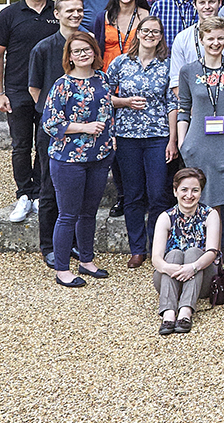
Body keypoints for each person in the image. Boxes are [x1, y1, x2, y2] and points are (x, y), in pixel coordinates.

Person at [42, 32, 140, 286]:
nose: (83, 54)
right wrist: (84, 128)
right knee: (68, 215)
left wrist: (124, 106)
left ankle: (86, 260)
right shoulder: (63, 85)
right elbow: (50, 124)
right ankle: (62, 268)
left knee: (89, 213)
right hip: (69, 159)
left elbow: (107, 106)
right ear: (70, 57)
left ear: (95, 52)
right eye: (77, 51)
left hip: (100, 156)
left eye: (87, 49)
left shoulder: (102, 79)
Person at [175, 17, 224, 245]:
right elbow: (184, 108)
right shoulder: (188, 71)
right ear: (201, 40)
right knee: (210, 209)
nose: (215, 42)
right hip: (200, 146)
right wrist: (183, 142)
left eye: (220, 38)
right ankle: (215, 258)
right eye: (210, 38)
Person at [0, 0, 58, 223]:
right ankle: (24, 194)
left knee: (46, 145)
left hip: (50, 91)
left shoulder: (58, 12)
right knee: (21, 146)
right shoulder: (9, 15)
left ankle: (41, 194)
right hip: (18, 90)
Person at [107, 15, 174, 268]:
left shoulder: (167, 66)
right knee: (133, 194)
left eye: (155, 32)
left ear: (161, 37)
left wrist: (173, 139)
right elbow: (104, 97)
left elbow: (173, 104)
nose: (150, 36)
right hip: (127, 137)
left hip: (158, 137)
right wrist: (124, 102)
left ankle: (156, 245)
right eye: (146, 31)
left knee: (158, 194)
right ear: (138, 34)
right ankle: (137, 248)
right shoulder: (120, 63)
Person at [26, 0, 88, 262]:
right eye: (69, 10)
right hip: (53, 131)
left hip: (84, 130)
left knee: (79, 189)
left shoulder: (88, 44)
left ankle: (71, 243)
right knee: (49, 187)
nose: (75, 15)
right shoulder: (43, 48)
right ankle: (49, 247)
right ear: (57, 14)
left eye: (79, 10)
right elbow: (34, 89)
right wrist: (56, 116)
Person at [151, 168, 221, 334]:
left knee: (194, 252)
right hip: (170, 277)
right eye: (184, 190)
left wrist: (193, 267)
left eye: (195, 190)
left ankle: (185, 311)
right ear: (175, 191)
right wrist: (169, 268)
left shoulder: (210, 215)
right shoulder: (165, 217)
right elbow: (156, 258)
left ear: (201, 193)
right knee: (173, 254)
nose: (189, 195)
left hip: (202, 277)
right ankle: (168, 313)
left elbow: (212, 252)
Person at [89, 0, 149, 69]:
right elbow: (97, 51)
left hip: (137, 75)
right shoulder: (103, 17)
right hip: (107, 74)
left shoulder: (148, 16)